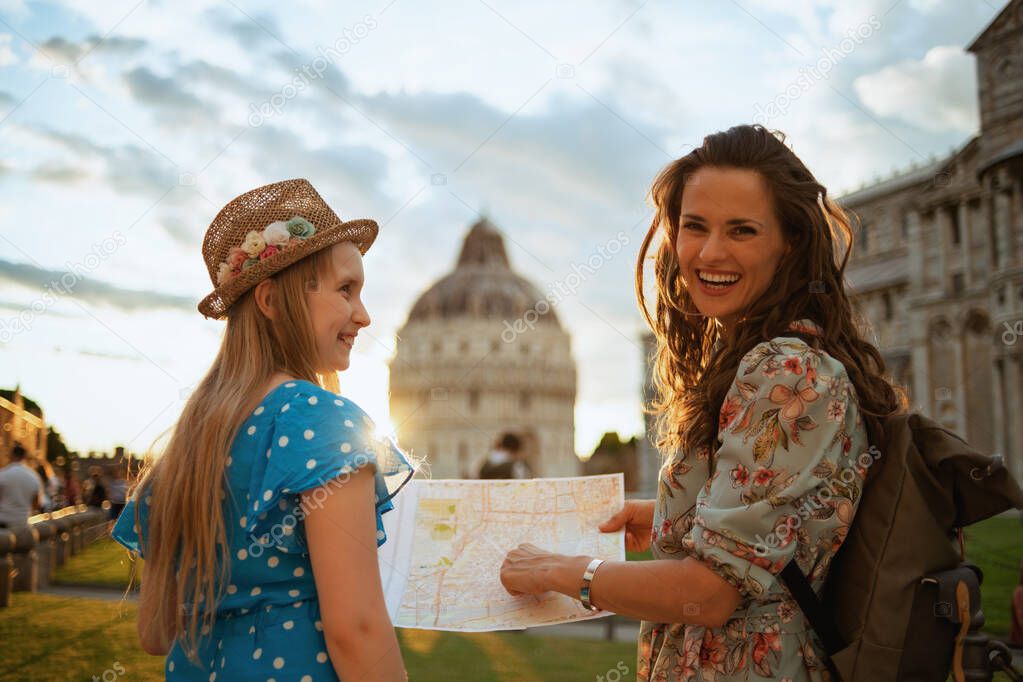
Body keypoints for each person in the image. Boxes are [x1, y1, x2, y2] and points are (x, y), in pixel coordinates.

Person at [500, 124, 905, 681]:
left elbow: (710, 593)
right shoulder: (767, 357)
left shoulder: (787, 370)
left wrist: (562, 570)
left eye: (742, 230)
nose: (711, 253)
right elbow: (779, 517)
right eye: (695, 227)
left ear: (789, 242)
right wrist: (669, 514)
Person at [110, 179, 413, 681]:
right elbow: (356, 629)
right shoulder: (322, 422)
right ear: (272, 301)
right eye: (345, 290)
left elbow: (156, 633)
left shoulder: (191, 443)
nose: (364, 315)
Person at [0, 443, 45, 528]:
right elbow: (37, 504)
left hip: (3, 523)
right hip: (22, 523)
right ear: (25, 457)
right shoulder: (34, 477)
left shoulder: (3, 473)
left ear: (11, 456)